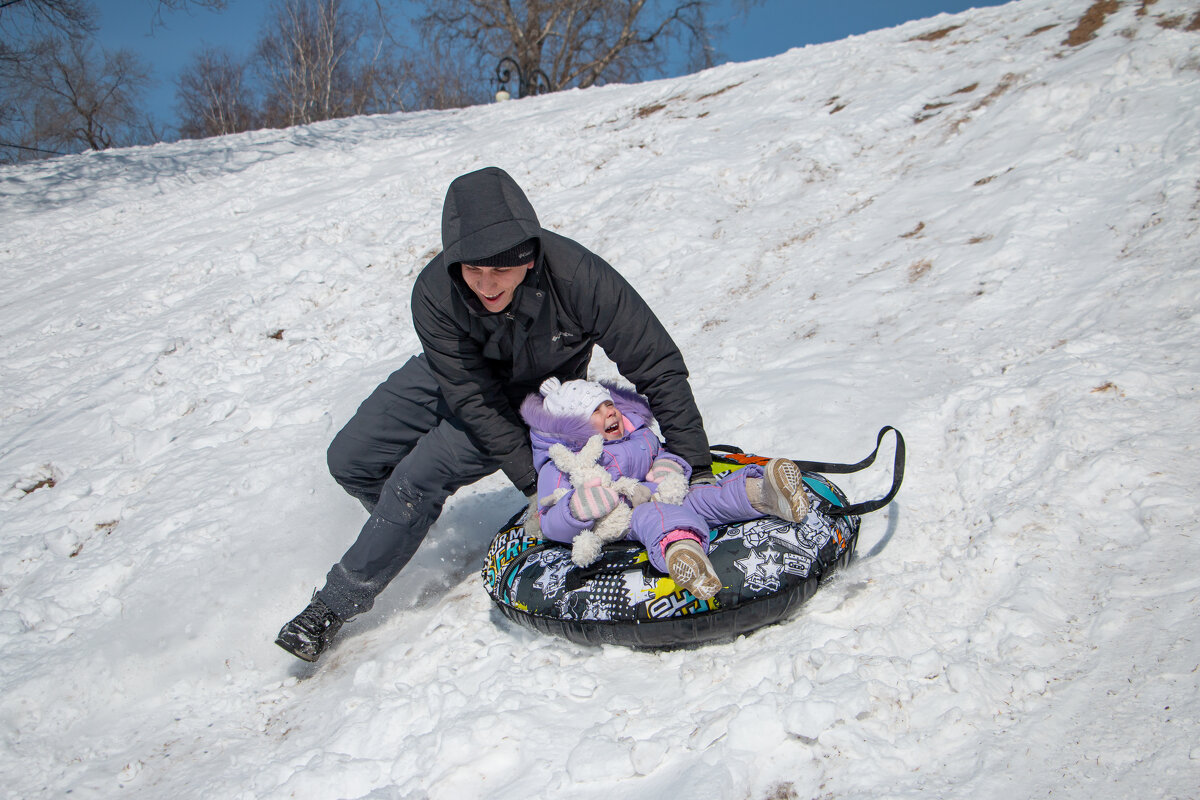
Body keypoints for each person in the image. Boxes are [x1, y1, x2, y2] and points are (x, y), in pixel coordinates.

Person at [276, 166, 718, 662]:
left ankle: (334, 604)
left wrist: (693, 464)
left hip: (527, 395)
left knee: (418, 477)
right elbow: (468, 392)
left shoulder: (579, 278)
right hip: (459, 377)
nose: (486, 286)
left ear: (527, 259)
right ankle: (402, 524)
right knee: (349, 459)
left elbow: (655, 362)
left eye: (500, 271)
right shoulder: (436, 291)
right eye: (473, 271)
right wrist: (538, 485)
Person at [521, 378, 811, 600]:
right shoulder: (562, 464)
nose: (610, 413)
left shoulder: (638, 436)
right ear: (575, 428)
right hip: (621, 517)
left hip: (661, 492)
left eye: (609, 404)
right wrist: (577, 508)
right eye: (596, 411)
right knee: (656, 516)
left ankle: (765, 495)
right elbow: (549, 520)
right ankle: (684, 554)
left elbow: (660, 452)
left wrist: (669, 465)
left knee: (703, 496)